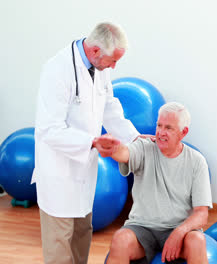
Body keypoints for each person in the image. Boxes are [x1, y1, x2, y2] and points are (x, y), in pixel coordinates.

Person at [32, 22, 140, 264]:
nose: (114, 66)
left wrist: (134, 137)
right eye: (113, 60)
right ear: (94, 51)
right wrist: (91, 142)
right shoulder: (57, 70)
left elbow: (109, 107)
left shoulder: (101, 67)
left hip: (84, 171)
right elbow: (49, 129)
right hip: (58, 171)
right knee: (60, 245)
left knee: (82, 235)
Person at [106, 102, 212, 264]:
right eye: (159, 125)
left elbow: (201, 213)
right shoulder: (144, 147)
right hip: (142, 227)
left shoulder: (197, 161)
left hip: (178, 227)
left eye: (168, 128)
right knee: (120, 239)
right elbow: (125, 153)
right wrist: (113, 148)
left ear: (183, 132)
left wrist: (179, 232)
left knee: (197, 240)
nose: (161, 132)